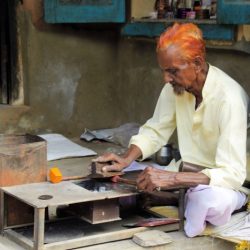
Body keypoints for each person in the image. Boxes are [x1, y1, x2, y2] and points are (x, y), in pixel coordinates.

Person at [94, 23, 248, 237]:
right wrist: (126, 159)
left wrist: (173, 180)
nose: (166, 79)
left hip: (224, 186)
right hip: (186, 175)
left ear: (197, 63)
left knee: (207, 200)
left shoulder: (229, 99)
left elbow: (232, 174)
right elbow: (156, 129)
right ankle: (180, 198)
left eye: (173, 71)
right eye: (164, 71)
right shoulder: (175, 88)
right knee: (139, 182)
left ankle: (182, 199)